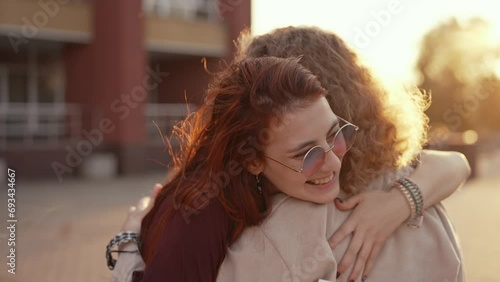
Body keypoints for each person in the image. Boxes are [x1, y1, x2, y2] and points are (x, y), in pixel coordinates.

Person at [108, 27, 470, 282]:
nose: (329, 159)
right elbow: (454, 164)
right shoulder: (424, 201)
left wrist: (125, 247)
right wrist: (406, 198)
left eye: (336, 134)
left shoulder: (270, 234)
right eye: (306, 153)